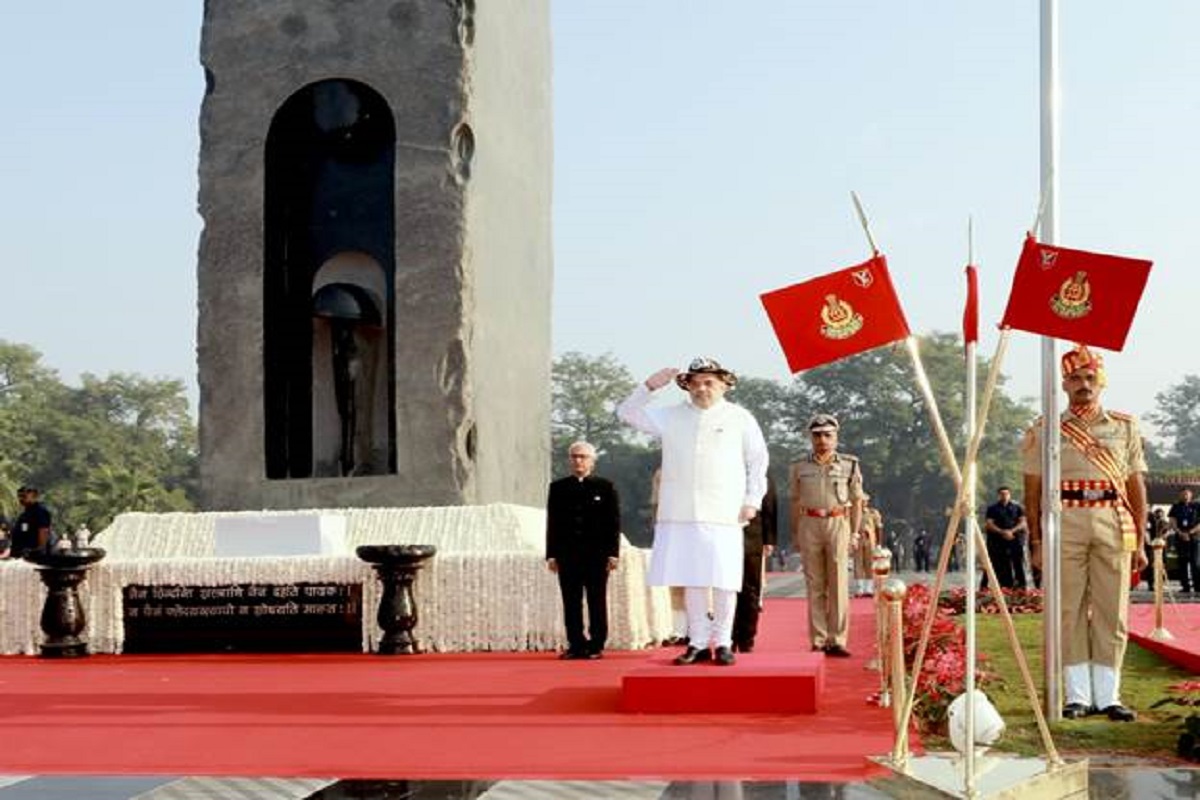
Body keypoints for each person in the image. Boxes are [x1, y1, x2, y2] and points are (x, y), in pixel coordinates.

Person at [618, 357, 768, 667]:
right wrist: (648, 387)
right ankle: (698, 641)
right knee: (693, 579)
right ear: (687, 386)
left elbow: (758, 461)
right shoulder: (671, 416)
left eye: (709, 382)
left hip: (725, 510)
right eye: (696, 382)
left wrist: (752, 499)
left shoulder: (740, 417)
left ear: (724, 384)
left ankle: (724, 641)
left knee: (725, 580)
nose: (702, 388)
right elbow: (626, 413)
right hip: (681, 509)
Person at [1025, 344, 1146, 722]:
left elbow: (1135, 486)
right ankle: (1077, 695)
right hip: (1065, 522)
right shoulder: (1045, 429)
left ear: (1101, 381)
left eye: (1090, 377)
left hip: (1112, 522)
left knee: (1114, 611)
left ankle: (1109, 696)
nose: (1084, 385)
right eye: (1076, 378)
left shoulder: (1124, 426)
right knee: (1068, 611)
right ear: (1063, 383)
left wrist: (1140, 541)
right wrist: (1037, 542)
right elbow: (1032, 491)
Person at [789, 413, 864, 657]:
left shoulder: (849, 464)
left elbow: (857, 500)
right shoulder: (799, 466)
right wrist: (796, 533)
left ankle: (838, 639)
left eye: (827, 435)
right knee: (815, 584)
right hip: (809, 523)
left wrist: (854, 532)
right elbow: (795, 501)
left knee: (839, 584)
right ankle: (819, 639)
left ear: (836, 437)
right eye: (817, 435)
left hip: (838, 522)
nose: (822, 439)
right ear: (810, 437)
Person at [545, 441, 621, 659]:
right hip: (568, 555)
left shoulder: (605, 487)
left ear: (592, 461)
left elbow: (613, 523)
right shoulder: (558, 488)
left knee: (596, 600)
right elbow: (553, 522)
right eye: (575, 456)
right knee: (571, 601)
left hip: (597, 555)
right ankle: (576, 644)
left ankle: (596, 645)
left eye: (583, 457)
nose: (579, 460)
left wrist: (613, 553)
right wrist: (551, 554)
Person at [732, 475, 777, 653]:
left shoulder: (759, 468)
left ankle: (746, 637)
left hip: (753, 533)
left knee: (750, 587)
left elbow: (769, 504)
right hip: (723, 531)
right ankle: (727, 638)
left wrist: (769, 538)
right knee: (725, 588)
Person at [983, 486, 1028, 591]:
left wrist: (1011, 531)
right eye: (1002, 494)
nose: (1004, 496)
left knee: (1018, 563)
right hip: (998, 540)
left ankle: (1021, 586)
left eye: (1006, 494)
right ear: (998, 495)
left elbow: (1023, 523)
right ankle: (1006, 585)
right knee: (1002, 563)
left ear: (1010, 494)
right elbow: (989, 524)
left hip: (1015, 539)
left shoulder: (1017, 507)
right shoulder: (992, 508)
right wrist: (1002, 532)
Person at [1167, 489, 1199, 593]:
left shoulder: (1196, 506)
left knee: (1195, 563)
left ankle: (1198, 586)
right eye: (1183, 494)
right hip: (1180, 538)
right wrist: (1180, 533)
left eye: (1187, 494)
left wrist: (1190, 533)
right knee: (1182, 563)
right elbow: (1172, 521)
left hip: (1194, 538)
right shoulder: (1176, 506)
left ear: (1191, 495)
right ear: (1180, 495)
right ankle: (1185, 586)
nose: (1185, 495)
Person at [10, 486, 52, 558]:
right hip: (21, 554)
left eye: (24, 496)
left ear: (34, 496)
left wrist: (40, 551)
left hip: (33, 555)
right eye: (19, 496)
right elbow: (24, 531)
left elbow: (43, 531)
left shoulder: (40, 511)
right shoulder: (25, 514)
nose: (21, 499)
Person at [852, 495, 879, 597]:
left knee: (869, 564)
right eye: (861, 500)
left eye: (865, 500)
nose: (863, 502)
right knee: (858, 564)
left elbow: (878, 527)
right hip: (858, 539)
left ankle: (869, 588)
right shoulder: (853, 513)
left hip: (870, 540)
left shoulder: (872, 513)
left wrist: (879, 543)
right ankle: (860, 588)